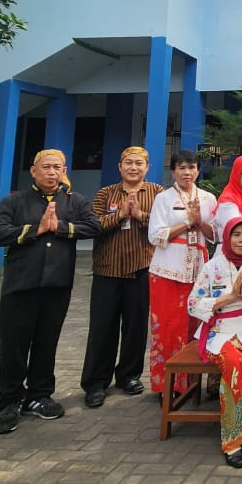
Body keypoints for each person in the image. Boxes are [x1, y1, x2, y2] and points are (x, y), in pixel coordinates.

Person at [0, 149, 100, 435]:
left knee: (46, 343)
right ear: (33, 171)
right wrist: (34, 230)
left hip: (56, 285)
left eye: (57, 167)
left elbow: (93, 226)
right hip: (20, 285)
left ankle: (39, 395)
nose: (51, 172)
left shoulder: (75, 201)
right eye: (46, 167)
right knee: (13, 346)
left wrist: (59, 226)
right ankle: (9, 401)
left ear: (64, 171)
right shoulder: (15, 201)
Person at [187, 216, 242, 467]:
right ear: (227, 237)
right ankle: (235, 439)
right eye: (236, 235)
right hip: (221, 330)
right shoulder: (211, 267)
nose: (241, 240)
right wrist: (229, 298)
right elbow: (192, 304)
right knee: (234, 363)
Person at [81, 146, 164, 409]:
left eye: (139, 163)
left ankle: (129, 376)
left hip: (142, 268)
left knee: (135, 327)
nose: (133, 167)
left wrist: (139, 215)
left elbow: (164, 227)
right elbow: (93, 225)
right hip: (108, 269)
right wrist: (120, 215)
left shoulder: (158, 193)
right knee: (102, 328)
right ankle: (96, 382)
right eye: (128, 163)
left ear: (147, 167)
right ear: (119, 167)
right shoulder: (105, 193)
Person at [146, 149, 216, 399]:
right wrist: (187, 222)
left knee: (194, 327)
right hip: (168, 271)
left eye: (192, 167)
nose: (187, 172)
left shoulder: (208, 198)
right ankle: (165, 386)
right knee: (167, 327)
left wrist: (200, 222)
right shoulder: (164, 198)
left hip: (198, 271)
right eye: (182, 168)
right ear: (173, 171)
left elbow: (216, 235)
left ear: (198, 171)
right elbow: (155, 236)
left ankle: (191, 384)